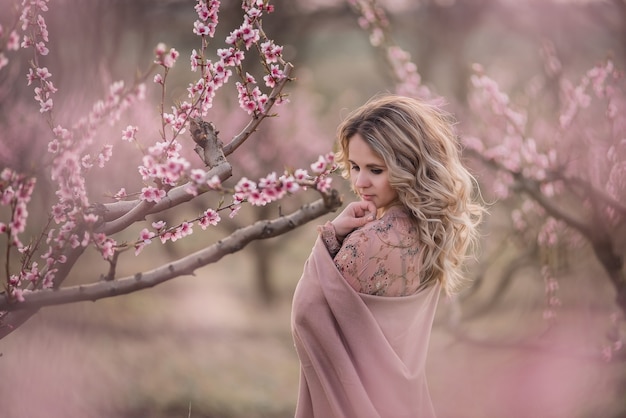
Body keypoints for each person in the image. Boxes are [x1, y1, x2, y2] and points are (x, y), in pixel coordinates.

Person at [291, 94, 484, 418]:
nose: (360, 182)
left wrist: (331, 236)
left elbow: (306, 313)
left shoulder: (367, 243)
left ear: (409, 167)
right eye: (354, 166)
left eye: (375, 170)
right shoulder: (432, 235)